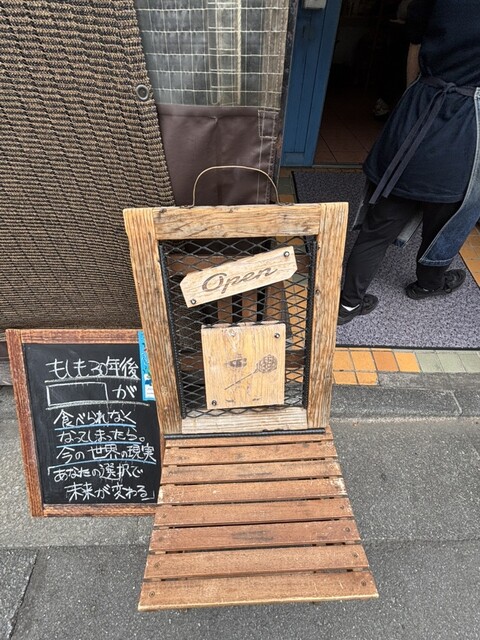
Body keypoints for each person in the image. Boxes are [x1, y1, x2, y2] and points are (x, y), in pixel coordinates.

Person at [338, 0, 480, 325]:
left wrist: (414, 102)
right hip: (468, 126)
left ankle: (347, 305)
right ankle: (428, 284)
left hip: (418, 112)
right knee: (447, 220)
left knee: (380, 223)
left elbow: (414, 46)